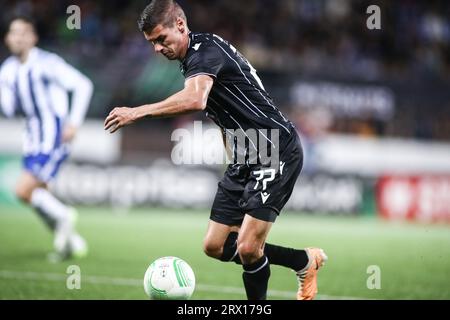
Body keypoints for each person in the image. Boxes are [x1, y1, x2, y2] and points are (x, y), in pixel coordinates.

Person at [105, 0, 327, 300]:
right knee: (216, 246)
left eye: (161, 39)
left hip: (275, 150)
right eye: (152, 43)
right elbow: (222, 113)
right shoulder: (193, 60)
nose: (158, 48)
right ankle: (303, 261)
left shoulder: (205, 52)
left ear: (180, 26)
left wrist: (137, 112)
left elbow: (195, 100)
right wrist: (233, 156)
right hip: (245, 158)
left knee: (248, 247)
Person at [0, 17, 93, 261]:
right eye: (13, 33)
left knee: (23, 191)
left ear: (33, 38)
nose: (18, 38)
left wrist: (74, 121)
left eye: (23, 33)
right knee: (38, 195)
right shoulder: (8, 71)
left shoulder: (47, 63)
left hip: (53, 137)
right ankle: (71, 243)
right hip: (31, 140)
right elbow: (9, 110)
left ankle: (65, 217)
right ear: (8, 39)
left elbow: (83, 85)